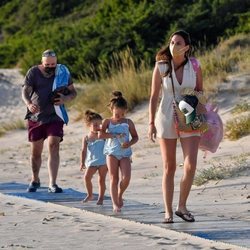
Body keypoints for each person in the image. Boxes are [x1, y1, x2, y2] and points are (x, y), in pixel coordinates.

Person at [148, 30, 203, 223]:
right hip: (165, 115)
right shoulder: (161, 66)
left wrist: (203, 115)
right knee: (169, 167)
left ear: (186, 47)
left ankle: (182, 206)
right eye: (171, 42)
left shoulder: (195, 66)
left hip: (189, 116)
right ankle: (168, 212)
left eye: (178, 43)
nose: (173, 46)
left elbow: (199, 91)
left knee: (190, 165)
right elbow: (154, 96)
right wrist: (150, 123)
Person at [22, 49, 77, 193]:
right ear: (42, 62)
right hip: (36, 117)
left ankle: (53, 183)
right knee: (36, 152)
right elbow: (25, 91)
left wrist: (65, 99)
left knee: (54, 145)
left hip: (55, 116)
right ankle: (35, 179)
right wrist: (28, 103)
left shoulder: (62, 72)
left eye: (53, 64)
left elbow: (73, 92)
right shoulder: (33, 72)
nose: (51, 67)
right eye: (48, 64)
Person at [100, 91, 139, 212]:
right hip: (111, 153)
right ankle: (115, 203)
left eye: (122, 114)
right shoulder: (107, 121)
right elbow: (101, 135)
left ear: (125, 111)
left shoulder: (128, 122)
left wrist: (129, 143)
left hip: (125, 153)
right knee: (113, 178)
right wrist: (114, 134)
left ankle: (120, 194)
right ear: (112, 109)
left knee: (126, 177)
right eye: (117, 114)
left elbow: (136, 137)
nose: (120, 116)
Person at [80, 110, 108, 205]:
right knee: (87, 177)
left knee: (101, 179)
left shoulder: (103, 135)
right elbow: (83, 151)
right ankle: (90, 194)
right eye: (95, 125)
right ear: (89, 125)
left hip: (103, 161)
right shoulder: (86, 137)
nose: (98, 127)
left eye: (100, 125)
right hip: (91, 161)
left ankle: (101, 198)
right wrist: (82, 162)